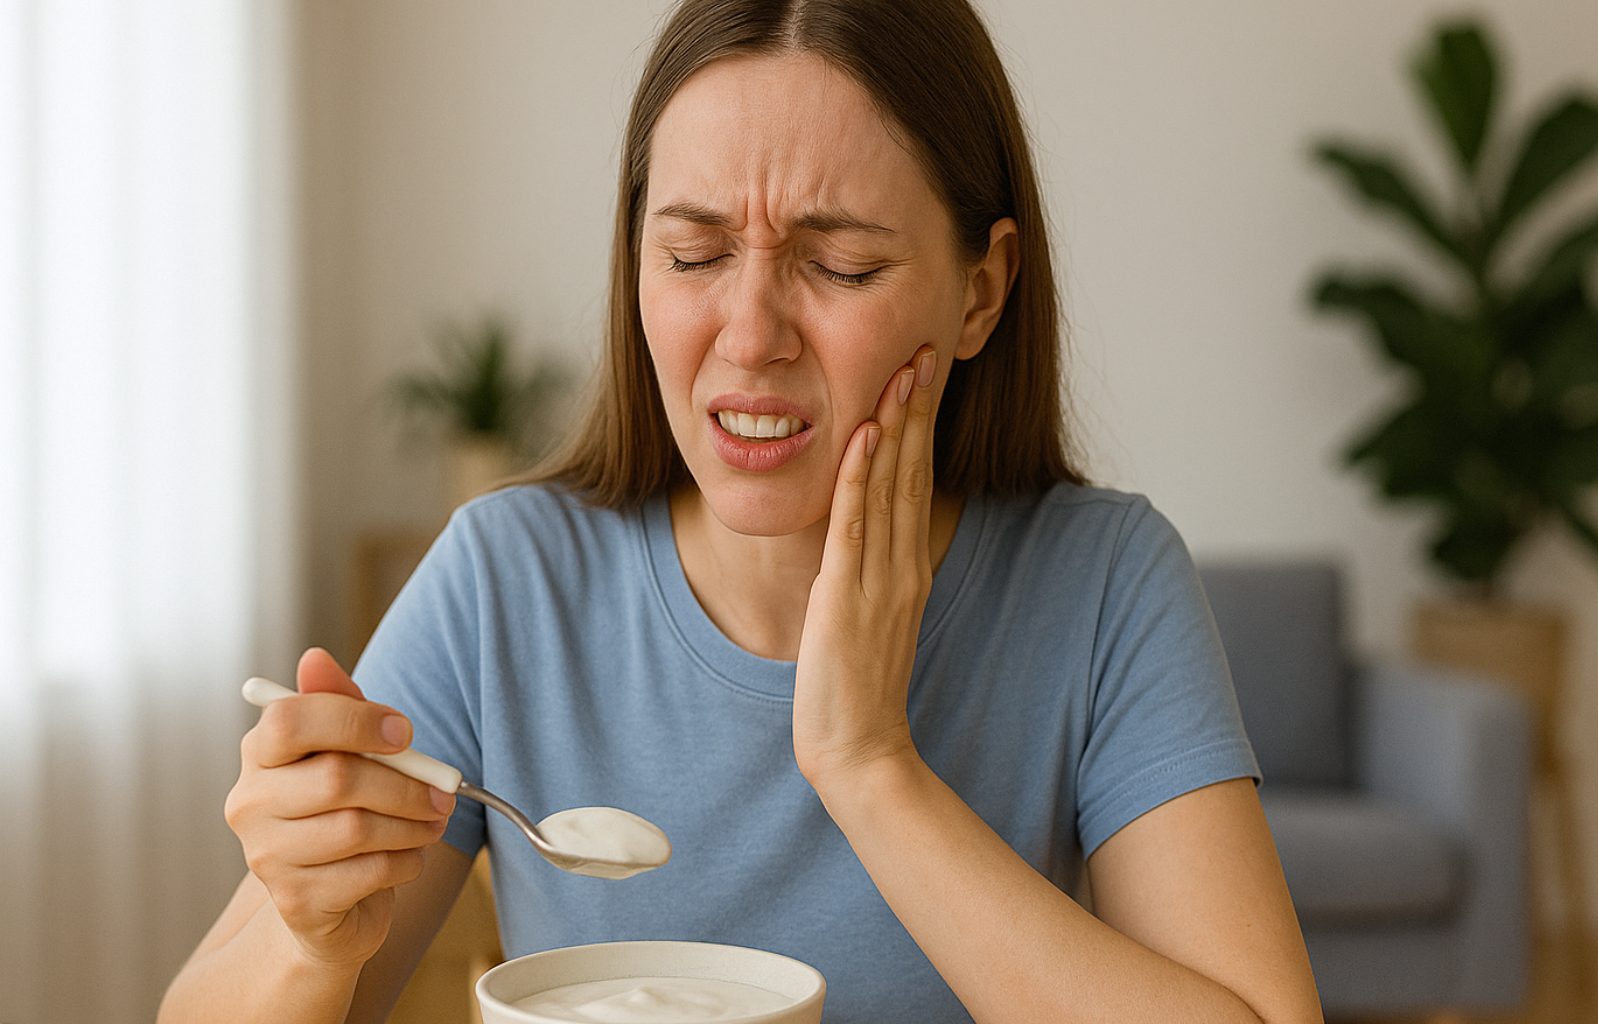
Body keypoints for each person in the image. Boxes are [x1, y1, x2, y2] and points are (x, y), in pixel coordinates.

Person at [161, 1, 1324, 1021]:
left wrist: (870, 766)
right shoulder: (510, 580)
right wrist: (310, 935)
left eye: (842, 267)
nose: (750, 335)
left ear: (980, 291)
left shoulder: (1099, 581)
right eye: (693, 252)